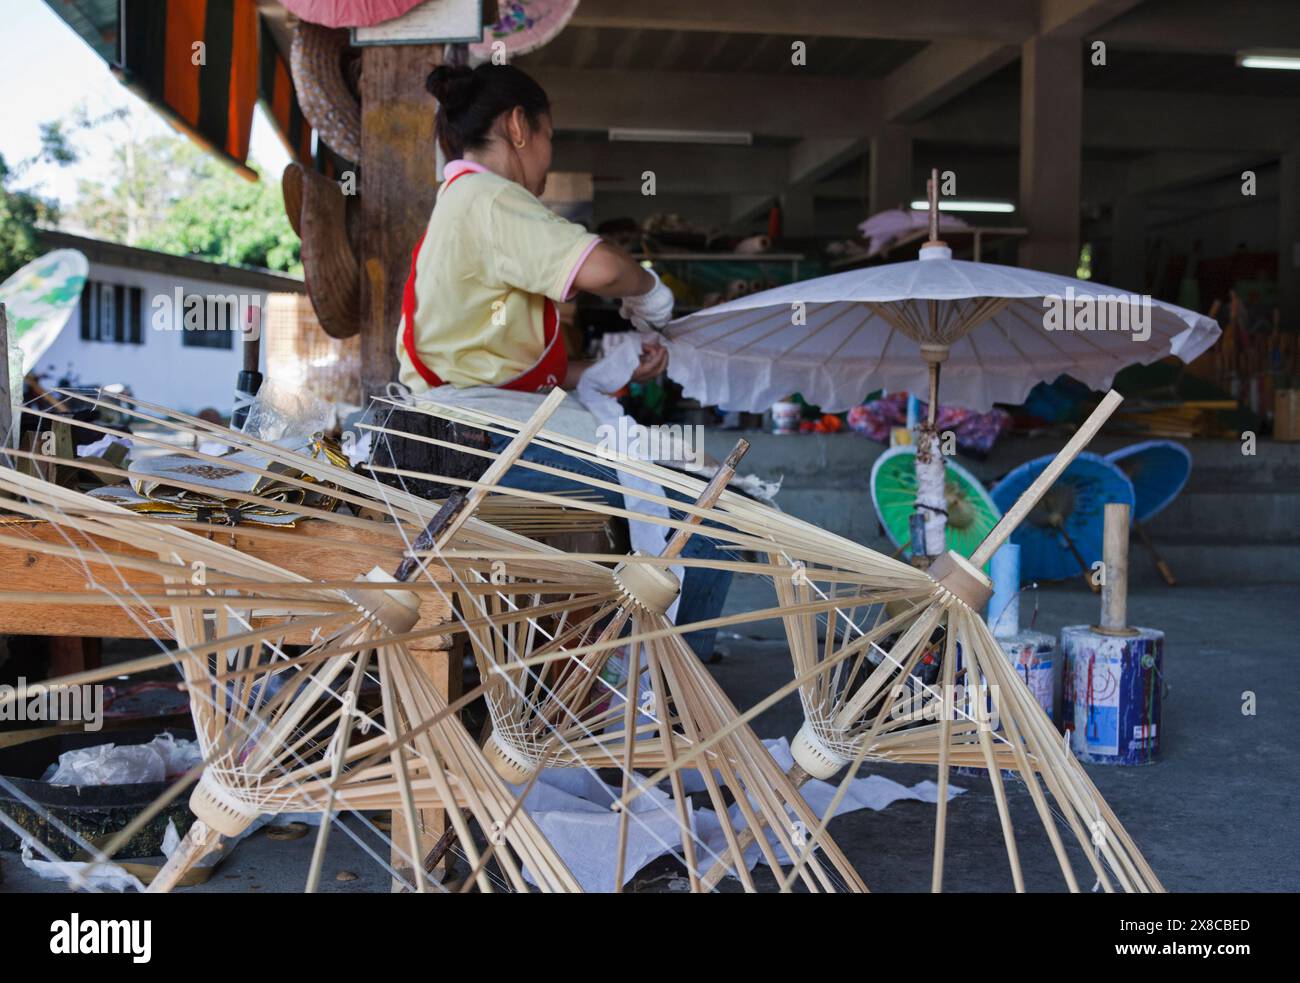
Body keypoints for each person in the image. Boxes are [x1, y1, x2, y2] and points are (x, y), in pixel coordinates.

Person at [392, 62, 733, 659]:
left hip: (454, 427)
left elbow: (489, 365)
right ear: (519, 126)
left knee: (685, 473)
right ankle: (668, 693)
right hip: (470, 441)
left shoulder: (462, 202)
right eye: (549, 136)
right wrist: (647, 289)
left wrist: (602, 370)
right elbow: (600, 266)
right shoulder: (488, 196)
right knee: (705, 500)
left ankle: (618, 675)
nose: (548, 158)